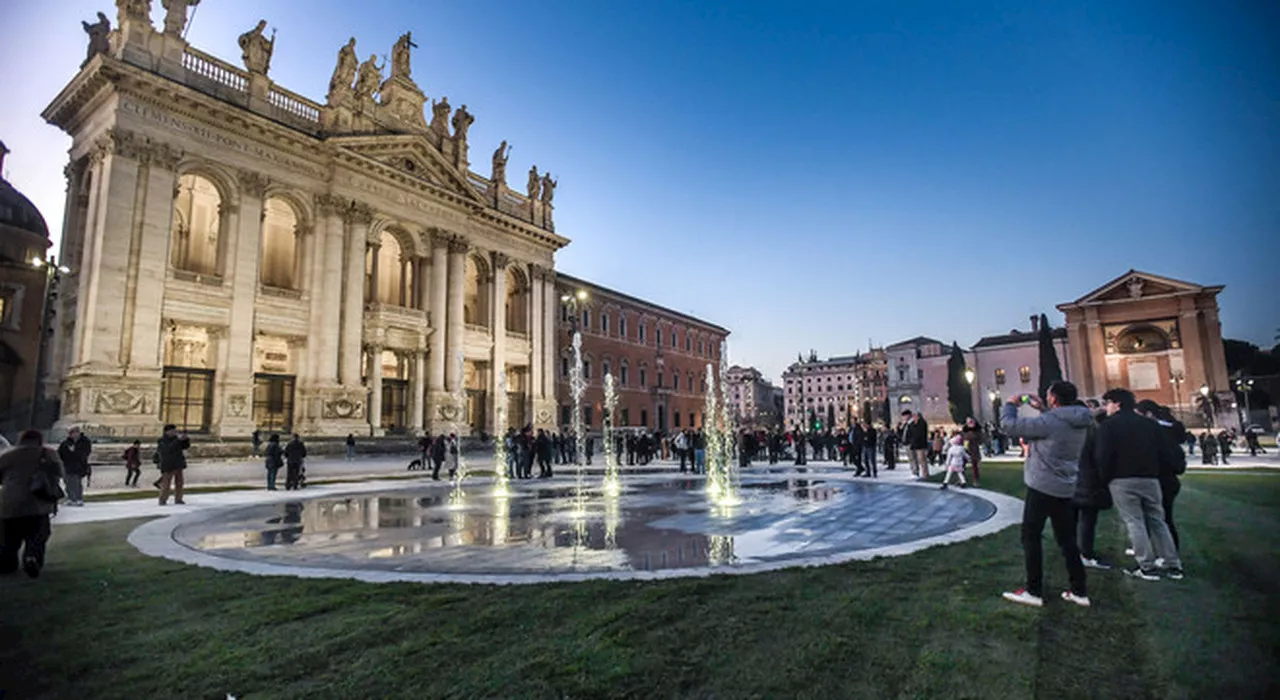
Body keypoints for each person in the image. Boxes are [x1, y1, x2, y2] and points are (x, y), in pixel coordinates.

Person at [999, 382, 1092, 608]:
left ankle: (1033, 590)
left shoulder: (1050, 421)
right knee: (1067, 540)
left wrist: (1010, 404)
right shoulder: (1081, 419)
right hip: (1065, 485)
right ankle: (1079, 590)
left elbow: (1008, 426)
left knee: (1030, 536)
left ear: (1053, 398)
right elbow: (1057, 424)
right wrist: (1043, 410)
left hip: (1042, 486)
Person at [1095, 388, 1184, 581]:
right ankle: (1173, 564)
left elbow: (1103, 456)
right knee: (1158, 521)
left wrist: (1103, 479)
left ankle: (1147, 566)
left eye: (1107, 403)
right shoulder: (1149, 424)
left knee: (1135, 522)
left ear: (1117, 404)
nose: (1106, 408)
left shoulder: (1109, 426)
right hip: (1150, 479)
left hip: (1122, 479)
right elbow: (1163, 452)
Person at [0, 430, 64, 578]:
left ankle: (7, 565)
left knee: (8, 538)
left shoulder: (9, 455)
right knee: (37, 536)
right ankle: (32, 558)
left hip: (10, 503)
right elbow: (59, 472)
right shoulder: (48, 453)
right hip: (38, 503)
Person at [1137, 400, 1187, 552]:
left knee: (1161, 519)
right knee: (1162, 517)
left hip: (1160, 479)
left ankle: (1168, 553)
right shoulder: (1168, 430)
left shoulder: (1157, 433)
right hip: (1169, 479)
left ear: (1149, 414)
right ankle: (1166, 551)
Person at [1073, 400, 1114, 569]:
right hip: (1088, 480)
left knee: (1072, 520)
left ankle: (1073, 550)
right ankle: (1086, 553)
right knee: (1087, 521)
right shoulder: (1093, 432)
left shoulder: (1067, 430)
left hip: (1069, 480)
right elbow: (1101, 458)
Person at [156, 424, 191, 506]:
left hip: (178, 463)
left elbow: (185, 446)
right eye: (172, 431)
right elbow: (168, 449)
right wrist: (178, 440)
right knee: (166, 484)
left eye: (175, 431)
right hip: (168, 464)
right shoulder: (162, 440)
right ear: (167, 432)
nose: (174, 432)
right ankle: (163, 499)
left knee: (179, 483)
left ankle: (179, 499)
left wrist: (185, 439)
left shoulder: (176, 439)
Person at [57, 426, 92, 507]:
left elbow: (86, 453)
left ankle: (79, 499)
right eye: (70, 433)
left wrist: (74, 451)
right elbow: (59, 453)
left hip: (79, 465)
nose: (71, 435)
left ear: (77, 433)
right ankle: (71, 498)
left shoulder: (85, 441)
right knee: (68, 482)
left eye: (73, 433)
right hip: (67, 465)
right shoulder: (65, 442)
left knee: (76, 482)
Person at [902, 410, 930, 479]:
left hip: (919, 444)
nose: (913, 417)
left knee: (922, 460)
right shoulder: (910, 424)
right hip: (913, 444)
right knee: (913, 459)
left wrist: (911, 441)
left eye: (915, 416)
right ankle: (915, 472)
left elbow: (917, 433)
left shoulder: (920, 423)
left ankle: (925, 474)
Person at [961, 417, 983, 487]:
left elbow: (980, 440)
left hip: (974, 450)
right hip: (965, 450)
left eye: (972, 422)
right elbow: (962, 439)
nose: (971, 423)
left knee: (974, 466)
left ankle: (976, 480)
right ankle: (961, 479)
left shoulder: (978, 431)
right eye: (969, 422)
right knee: (962, 465)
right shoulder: (964, 431)